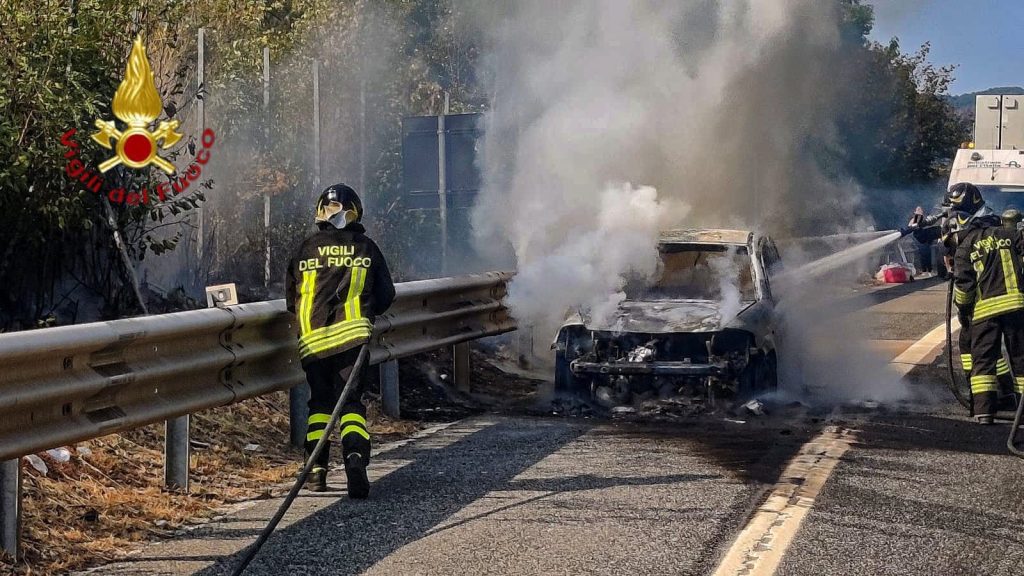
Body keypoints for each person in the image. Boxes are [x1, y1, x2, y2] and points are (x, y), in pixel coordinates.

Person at [285, 183, 395, 494]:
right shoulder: (365, 247)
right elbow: (387, 295)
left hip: (313, 342)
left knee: (320, 403)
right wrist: (367, 309)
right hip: (352, 341)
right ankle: (355, 458)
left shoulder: (304, 249)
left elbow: (290, 299)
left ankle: (316, 469)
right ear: (356, 212)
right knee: (351, 405)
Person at [952, 183, 1024, 424]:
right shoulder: (1010, 234)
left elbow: (964, 286)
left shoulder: (965, 246)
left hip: (984, 313)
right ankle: (1021, 409)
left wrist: (964, 313)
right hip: (1016, 307)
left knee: (983, 360)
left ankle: (984, 413)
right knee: (1021, 358)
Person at [908, 206, 936, 275]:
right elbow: (910, 226)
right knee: (923, 254)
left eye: (920, 210)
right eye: (918, 210)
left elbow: (930, 225)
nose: (919, 211)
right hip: (919, 239)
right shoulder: (914, 219)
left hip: (926, 238)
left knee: (927, 253)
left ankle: (929, 270)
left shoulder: (925, 218)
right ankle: (924, 270)